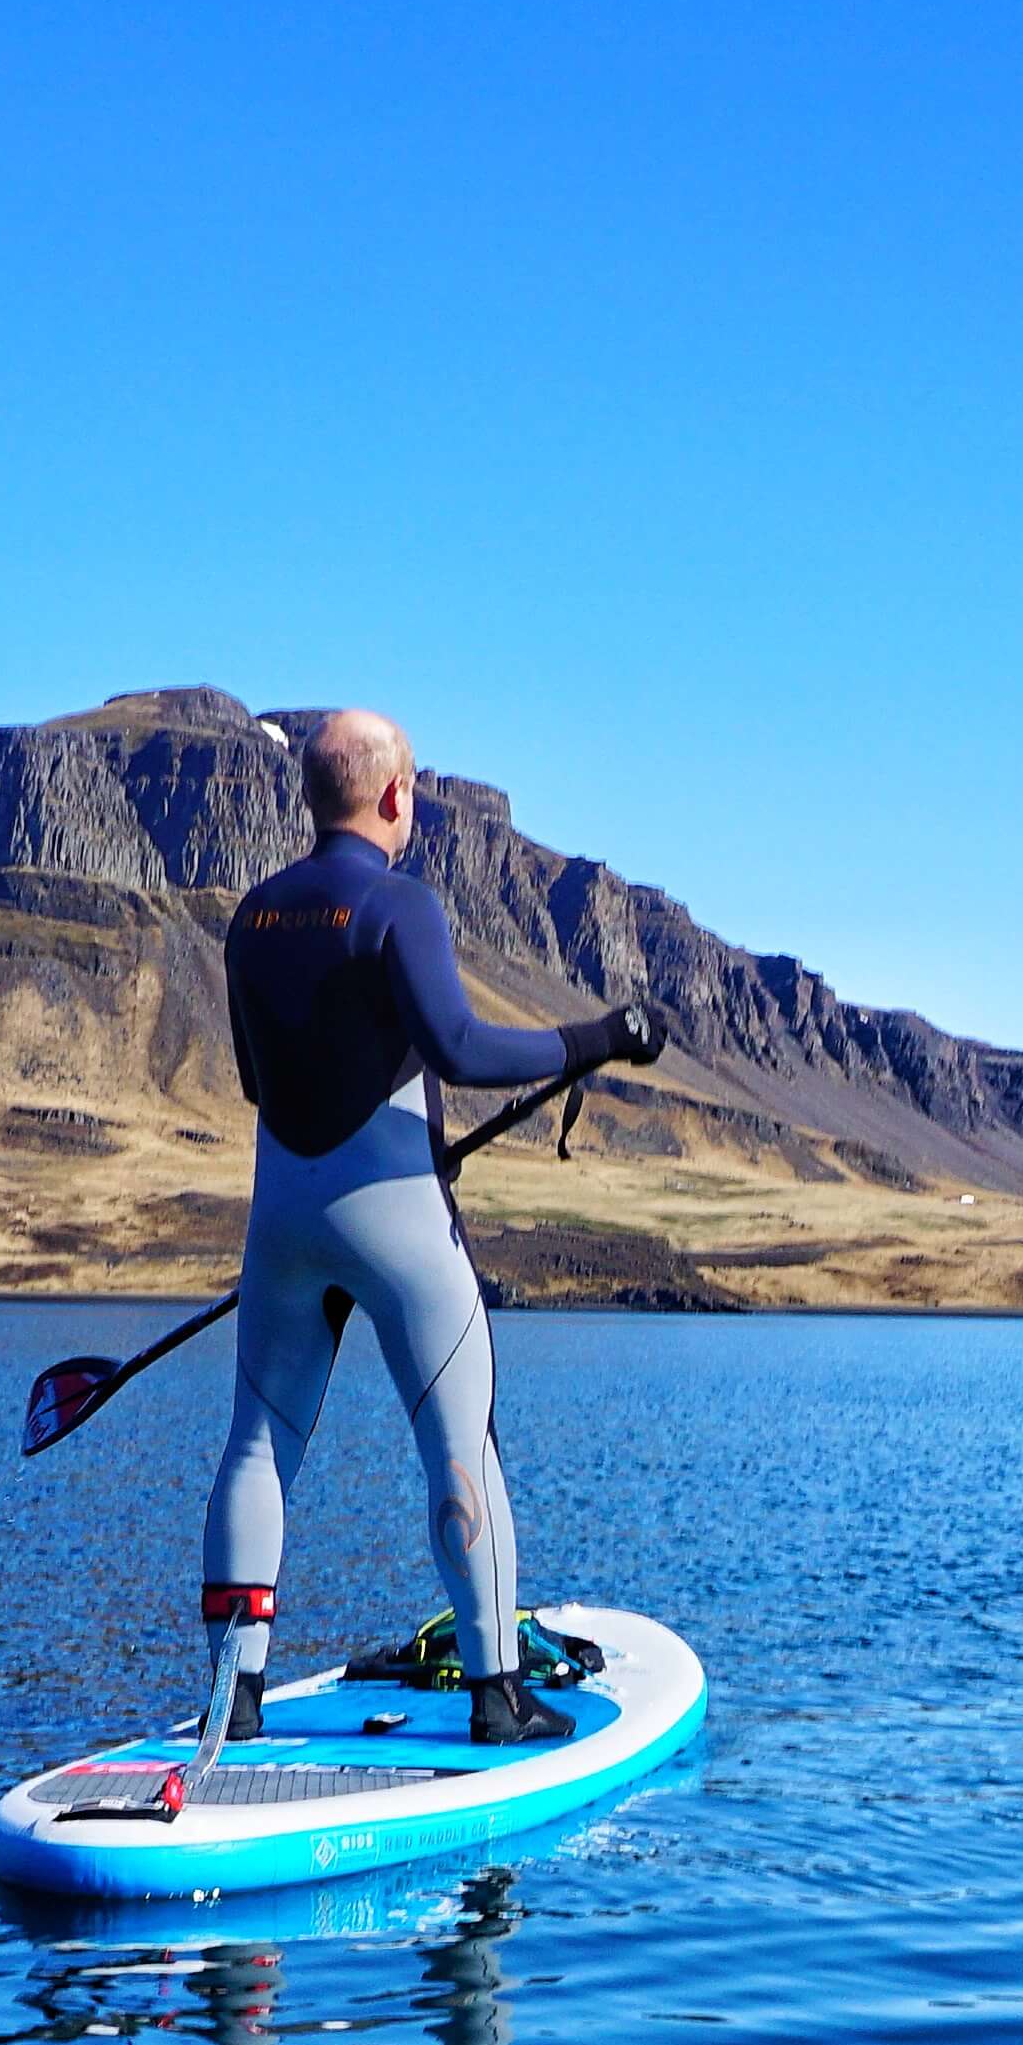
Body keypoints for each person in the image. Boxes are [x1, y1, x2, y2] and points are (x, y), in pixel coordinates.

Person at [202, 709, 662, 1748]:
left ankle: (233, 1696)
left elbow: (253, 1079)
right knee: (462, 1447)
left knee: (257, 1448)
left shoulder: (251, 918)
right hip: (401, 1225)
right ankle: (499, 1697)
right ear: (396, 796)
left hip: (281, 1228)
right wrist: (603, 1037)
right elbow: (455, 1046)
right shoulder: (401, 904)